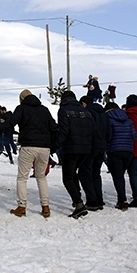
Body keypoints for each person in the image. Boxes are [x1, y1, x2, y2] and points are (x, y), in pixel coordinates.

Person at [0, 89, 57, 218]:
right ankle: (45, 207)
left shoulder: (22, 108)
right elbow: (54, 128)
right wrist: (52, 145)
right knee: (41, 177)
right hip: (44, 148)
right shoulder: (44, 109)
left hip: (28, 146)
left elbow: (10, 123)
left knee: (22, 178)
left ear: (22, 99)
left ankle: (21, 207)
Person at [56, 91, 94, 219]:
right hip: (86, 149)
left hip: (71, 148)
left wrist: (55, 145)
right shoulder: (86, 112)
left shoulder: (64, 111)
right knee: (73, 174)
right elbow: (92, 129)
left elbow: (63, 130)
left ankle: (79, 204)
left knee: (67, 177)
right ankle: (77, 198)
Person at [105, 102, 137, 210]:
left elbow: (108, 136)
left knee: (118, 176)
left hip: (115, 150)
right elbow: (134, 136)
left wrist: (108, 147)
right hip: (129, 151)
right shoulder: (128, 120)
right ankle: (122, 198)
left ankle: (122, 200)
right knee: (121, 174)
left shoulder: (109, 119)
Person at [79, 96, 110, 211]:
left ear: (83, 103)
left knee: (84, 172)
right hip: (102, 146)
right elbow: (109, 131)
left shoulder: (87, 113)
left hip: (91, 146)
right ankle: (99, 200)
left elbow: (86, 130)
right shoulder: (104, 114)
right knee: (96, 173)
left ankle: (92, 201)